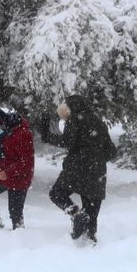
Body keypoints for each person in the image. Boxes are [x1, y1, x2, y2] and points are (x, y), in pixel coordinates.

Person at [43, 95, 116, 244]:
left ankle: (76, 214)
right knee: (91, 214)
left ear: (71, 107)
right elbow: (111, 152)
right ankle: (90, 246)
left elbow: (67, 141)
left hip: (78, 168)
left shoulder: (75, 119)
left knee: (56, 193)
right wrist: (96, 157)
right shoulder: (99, 122)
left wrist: (47, 136)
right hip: (98, 172)